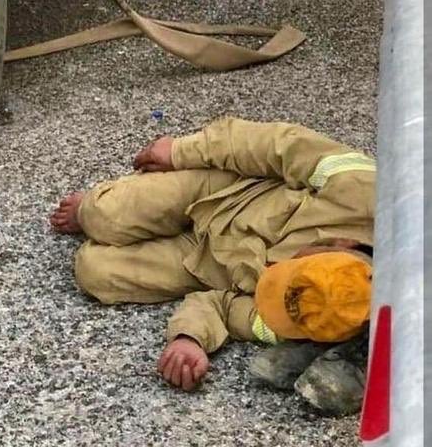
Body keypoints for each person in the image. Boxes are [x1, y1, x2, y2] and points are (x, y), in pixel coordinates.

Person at [50, 117, 375, 409]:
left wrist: (190, 339)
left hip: (204, 264)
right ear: (342, 244)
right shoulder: (362, 191)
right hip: (223, 191)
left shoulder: (307, 319)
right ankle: (93, 208)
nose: (271, 277)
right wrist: (180, 151)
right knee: (101, 214)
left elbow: (221, 306)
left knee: (94, 272)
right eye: (286, 272)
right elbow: (273, 143)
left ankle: (118, 219)